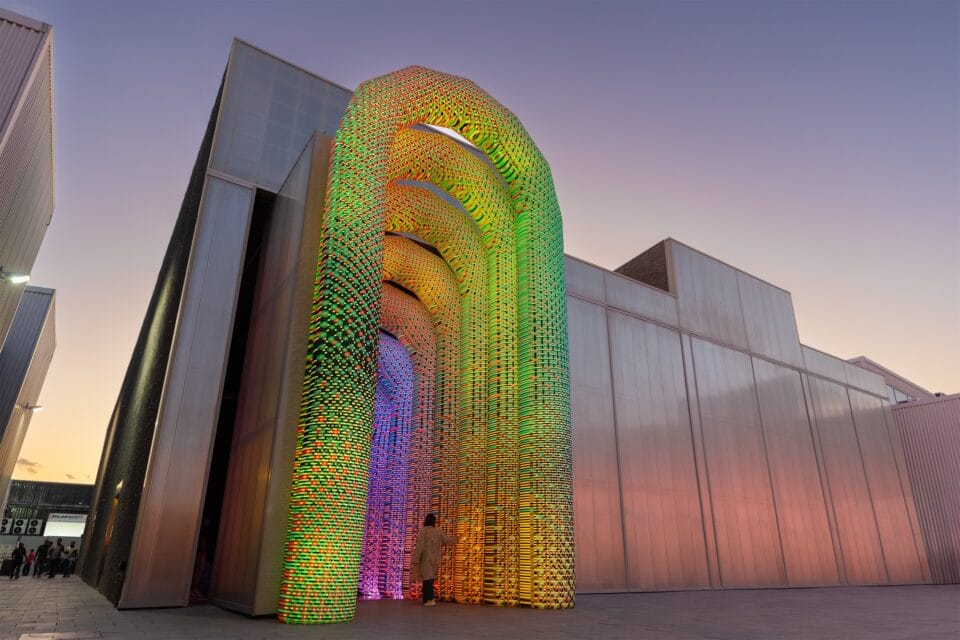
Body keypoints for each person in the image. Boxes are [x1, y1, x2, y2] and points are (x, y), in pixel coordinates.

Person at [410, 513, 457, 606]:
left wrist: (416, 558)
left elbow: (420, 545)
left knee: (426, 578)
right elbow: (447, 541)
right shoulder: (438, 531)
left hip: (426, 558)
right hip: (436, 559)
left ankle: (430, 599)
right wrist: (457, 539)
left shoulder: (424, 531)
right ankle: (426, 598)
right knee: (430, 578)